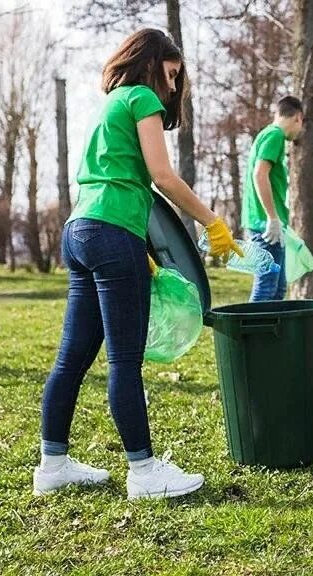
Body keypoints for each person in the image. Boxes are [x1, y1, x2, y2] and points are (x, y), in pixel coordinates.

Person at [34, 29, 241, 500]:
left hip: (81, 229)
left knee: (71, 359)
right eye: (170, 75)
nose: (171, 88)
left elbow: (121, 179)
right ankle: (144, 473)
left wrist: (140, 251)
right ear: (150, 64)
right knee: (124, 361)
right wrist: (212, 222)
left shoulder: (110, 103)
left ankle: (53, 465)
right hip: (111, 234)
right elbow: (161, 176)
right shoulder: (142, 97)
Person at [241, 96, 305, 301]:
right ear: (298, 117)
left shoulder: (268, 135)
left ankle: (270, 333)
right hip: (265, 226)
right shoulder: (275, 135)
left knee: (277, 288)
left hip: (266, 223)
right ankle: (250, 333)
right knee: (267, 286)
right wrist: (272, 218)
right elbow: (260, 174)